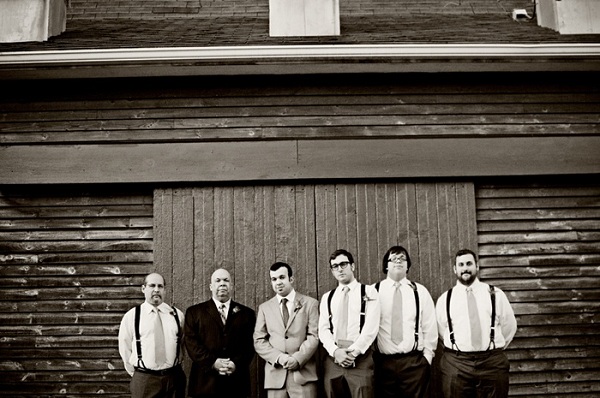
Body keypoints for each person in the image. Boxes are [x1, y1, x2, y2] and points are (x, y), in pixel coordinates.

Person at [435, 249, 517, 398]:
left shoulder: (495, 295)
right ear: (455, 269)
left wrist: (491, 348)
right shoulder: (445, 299)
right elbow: (441, 331)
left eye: (469, 263)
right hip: (456, 364)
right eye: (460, 264)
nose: (465, 268)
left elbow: (509, 326)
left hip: (492, 363)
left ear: (477, 267)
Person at [372, 245, 437, 398]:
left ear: (408, 265)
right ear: (386, 265)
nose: (398, 261)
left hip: (414, 363)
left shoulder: (420, 291)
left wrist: (427, 358)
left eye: (402, 258)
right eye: (393, 258)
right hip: (382, 363)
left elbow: (430, 326)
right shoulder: (373, 291)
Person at [183, 268, 256, 398]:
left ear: (232, 286)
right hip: (204, 385)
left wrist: (235, 363)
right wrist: (213, 362)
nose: (222, 283)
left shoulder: (247, 314)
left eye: (226, 280)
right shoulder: (194, 312)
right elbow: (192, 344)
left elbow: (250, 345)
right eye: (218, 281)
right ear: (211, 286)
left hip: (237, 385)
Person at [318, 249, 381, 398]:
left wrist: (353, 352)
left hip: (361, 360)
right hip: (334, 361)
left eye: (343, 264)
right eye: (335, 266)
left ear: (352, 266)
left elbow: (371, 328)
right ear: (332, 271)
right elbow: (323, 329)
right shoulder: (328, 297)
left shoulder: (369, 292)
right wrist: (335, 351)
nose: (339, 268)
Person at [254, 262, 320, 398]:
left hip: (303, 376)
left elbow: (314, 336)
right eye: (274, 279)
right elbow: (259, 340)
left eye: (282, 277)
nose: (278, 282)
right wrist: (279, 357)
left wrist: (297, 359)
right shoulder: (264, 308)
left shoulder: (310, 304)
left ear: (291, 279)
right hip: (275, 378)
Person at [118, 272, 186, 398]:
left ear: (164, 290)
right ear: (143, 289)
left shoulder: (177, 315)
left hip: (173, 378)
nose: (156, 290)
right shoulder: (132, 316)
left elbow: (182, 343)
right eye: (152, 286)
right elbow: (125, 348)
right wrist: (139, 374)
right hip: (145, 380)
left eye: (160, 286)